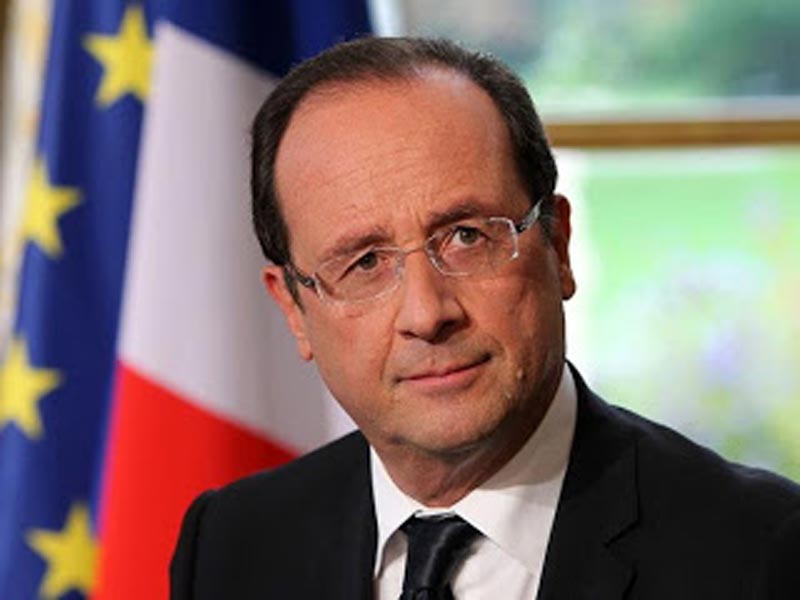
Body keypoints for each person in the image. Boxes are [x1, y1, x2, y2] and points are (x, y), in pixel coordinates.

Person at [170, 37, 800, 599]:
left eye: (467, 236)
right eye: (364, 263)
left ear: (558, 247)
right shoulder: (232, 546)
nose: (427, 314)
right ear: (294, 309)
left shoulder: (764, 554)